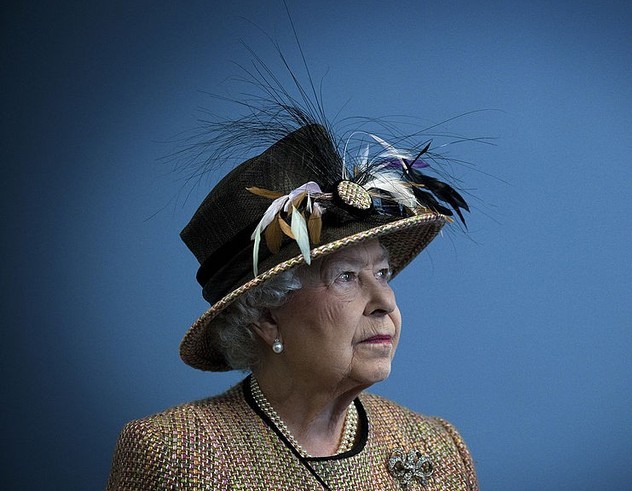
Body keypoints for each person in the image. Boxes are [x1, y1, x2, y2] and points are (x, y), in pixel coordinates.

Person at [106, 118, 479, 489]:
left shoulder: (438, 447)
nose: (384, 302)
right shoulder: (174, 454)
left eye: (382, 274)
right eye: (345, 277)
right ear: (267, 317)